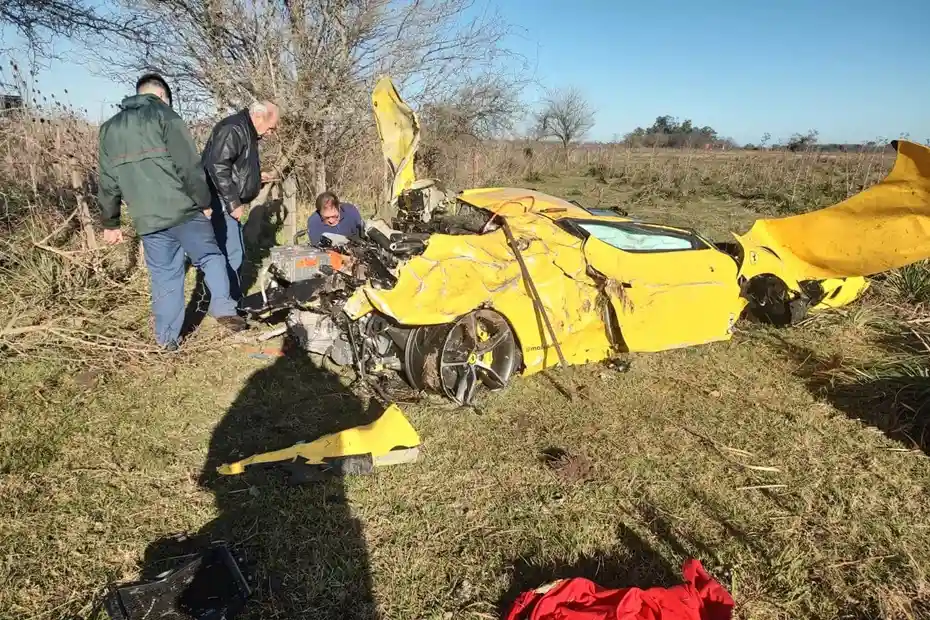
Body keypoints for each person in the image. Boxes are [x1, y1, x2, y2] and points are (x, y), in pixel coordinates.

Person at [97, 73, 247, 350]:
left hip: (148, 219)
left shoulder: (109, 129)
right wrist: (204, 202)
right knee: (211, 257)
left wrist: (111, 222)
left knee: (165, 278)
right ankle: (223, 307)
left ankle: (167, 341)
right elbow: (189, 167)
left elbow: (107, 181)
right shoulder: (166, 116)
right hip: (184, 210)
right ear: (162, 96)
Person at [200, 100, 280, 301]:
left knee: (233, 252)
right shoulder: (234, 129)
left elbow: (235, 166)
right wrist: (233, 202)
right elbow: (217, 166)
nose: (271, 133)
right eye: (271, 128)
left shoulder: (247, 131)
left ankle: (229, 299)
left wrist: (255, 177)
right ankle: (227, 304)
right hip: (220, 200)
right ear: (259, 116)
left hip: (225, 198)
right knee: (232, 253)